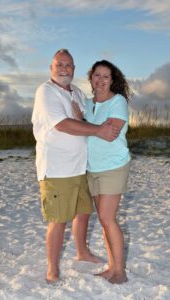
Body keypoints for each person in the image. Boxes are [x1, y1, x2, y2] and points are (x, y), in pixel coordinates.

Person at [31, 49, 120, 284]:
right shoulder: (46, 91)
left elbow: (83, 121)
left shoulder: (78, 92)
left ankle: (82, 252)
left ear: (74, 69)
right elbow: (62, 124)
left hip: (80, 167)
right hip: (57, 168)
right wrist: (99, 130)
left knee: (83, 213)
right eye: (59, 65)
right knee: (58, 219)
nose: (64, 69)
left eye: (69, 65)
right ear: (51, 68)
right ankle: (52, 269)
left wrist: (92, 122)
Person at [84, 60, 131, 284]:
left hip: (113, 166)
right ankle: (111, 266)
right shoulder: (85, 104)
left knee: (107, 218)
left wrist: (83, 125)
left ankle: (120, 271)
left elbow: (110, 133)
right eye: (97, 75)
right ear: (91, 78)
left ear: (112, 80)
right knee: (104, 221)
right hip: (92, 167)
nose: (100, 80)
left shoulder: (118, 101)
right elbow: (91, 130)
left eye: (105, 76)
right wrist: (89, 125)